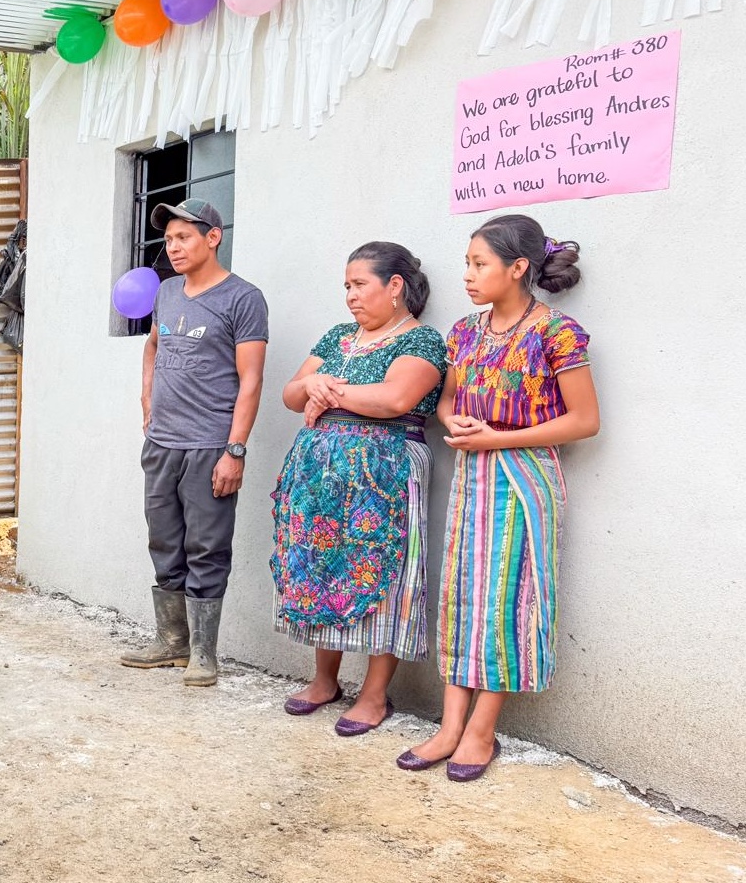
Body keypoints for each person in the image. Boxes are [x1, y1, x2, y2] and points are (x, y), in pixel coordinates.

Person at [398, 214, 599, 782]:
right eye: (467, 262)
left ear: (517, 268)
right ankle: (448, 724)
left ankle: (481, 731)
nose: (467, 274)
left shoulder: (558, 334)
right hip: (471, 476)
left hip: (523, 476)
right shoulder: (464, 332)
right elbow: (446, 402)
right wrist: (452, 420)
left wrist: (498, 438)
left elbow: (585, 421)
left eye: (479, 263)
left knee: (506, 599)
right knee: (463, 595)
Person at [271, 243, 446, 735]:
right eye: (346, 286)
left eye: (359, 284)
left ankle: (374, 695)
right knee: (322, 568)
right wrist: (314, 385)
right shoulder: (338, 337)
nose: (350, 295)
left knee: (384, 572)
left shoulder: (422, 341)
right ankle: (324, 680)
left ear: (395, 287)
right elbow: (289, 393)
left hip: (384, 471)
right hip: (320, 475)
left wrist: (326, 389)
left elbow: (396, 398)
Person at [121, 199, 268, 687]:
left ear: (213, 237)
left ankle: (204, 651)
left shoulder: (243, 299)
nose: (174, 247)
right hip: (163, 443)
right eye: (169, 240)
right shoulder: (166, 293)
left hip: (210, 446)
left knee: (207, 547)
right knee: (164, 541)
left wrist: (236, 450)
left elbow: (251, 381)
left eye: (184, 237)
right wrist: (147, 399)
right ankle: (171, 642)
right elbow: (153, 345)